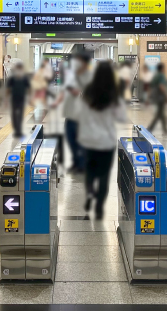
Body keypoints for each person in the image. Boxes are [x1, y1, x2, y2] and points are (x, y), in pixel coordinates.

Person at [77, 61, 126, 219]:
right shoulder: (114, 93)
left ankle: (89, 195)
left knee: (90, 173)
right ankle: (99, 206)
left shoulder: (88, 91)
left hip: (89, 140)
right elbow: (120, 116)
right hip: (106, 142)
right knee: (104, 175)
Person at [52, 52, 92, 174]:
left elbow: (77, 92)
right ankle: (76, 163)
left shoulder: (88, 77)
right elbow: (65, 91)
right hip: (70, 115)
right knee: (71, 141)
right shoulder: (73, 75)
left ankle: (82, 165)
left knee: (80, 141)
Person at [6, 62, 31, 137]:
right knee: (14, 114)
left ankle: (18, 130)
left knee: (20, 114)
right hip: (14, 98)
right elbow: (8, 88)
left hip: (21, 98)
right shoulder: (12, 77)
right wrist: (6, 99)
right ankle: (16, 130)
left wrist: (29, 97)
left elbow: (28, 88)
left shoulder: (24, 77)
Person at [148, 63, 167, 134]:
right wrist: (166, 96)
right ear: (162, 69)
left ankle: (164, 129)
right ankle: (150, 128)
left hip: (155, 95)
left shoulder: (155, 75)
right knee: (159, 113)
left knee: (160, 113)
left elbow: (151, 86)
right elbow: (161, 86)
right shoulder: (161, 75)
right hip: (160, 96)